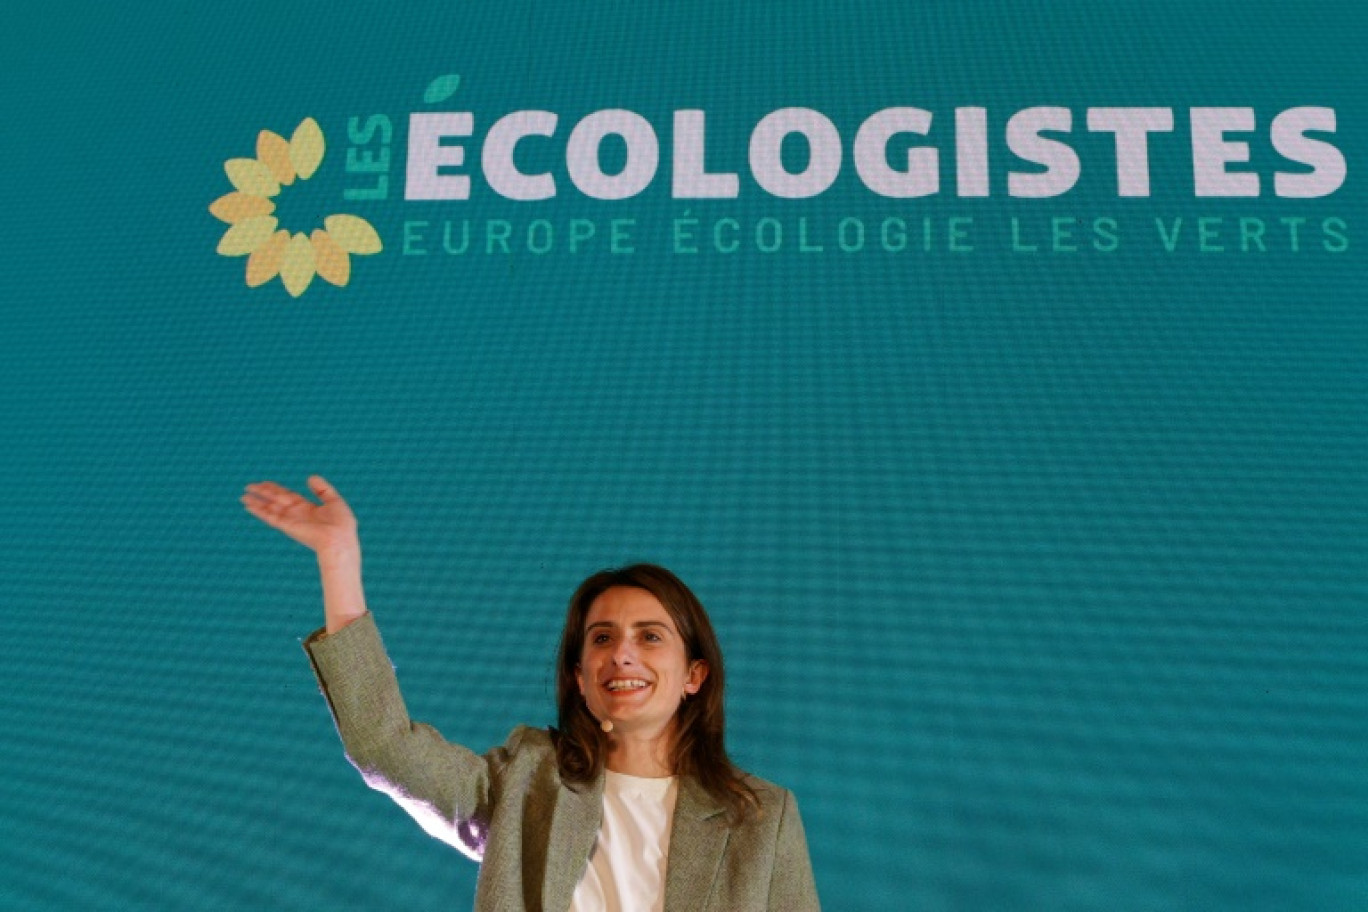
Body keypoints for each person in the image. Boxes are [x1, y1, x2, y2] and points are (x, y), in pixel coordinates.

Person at [242, 475, 820, 912]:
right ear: (578, 676)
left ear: (695, 675)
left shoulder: (762, 816)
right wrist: (338, 559)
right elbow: (384, 746)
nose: (622, 653)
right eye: (602, 638)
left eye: (650, 637)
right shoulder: (526, 781)